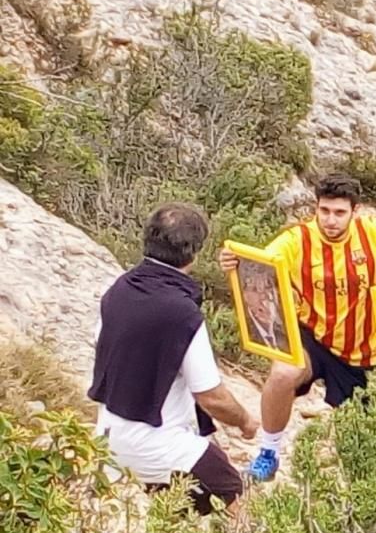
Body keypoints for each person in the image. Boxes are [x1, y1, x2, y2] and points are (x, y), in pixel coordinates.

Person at [219, 174, 376, 481]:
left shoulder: (373, 233)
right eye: (324, 211)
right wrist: (233, 261)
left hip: (366, 350)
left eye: (339, 213)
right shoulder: (298, 240)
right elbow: (258, 266)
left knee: (372, 448)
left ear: (355, 211)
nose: (331, 220)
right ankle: (268, 453)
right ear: (316, 208)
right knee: (283, 373)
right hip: (315, 337)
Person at [89, 203, 257, 515]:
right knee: (237, 498)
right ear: (194, 254)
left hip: (109, 438)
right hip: (157, 444)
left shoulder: (119, 289)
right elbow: (211, 396)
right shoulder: (181, 313)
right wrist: (246, 422)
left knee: (174, 511)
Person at [240, 262, 286, 350]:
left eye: (268, 287)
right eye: (254, 289)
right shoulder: (244, 330)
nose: (263, 296)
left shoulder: (285, 330)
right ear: (244, 294)